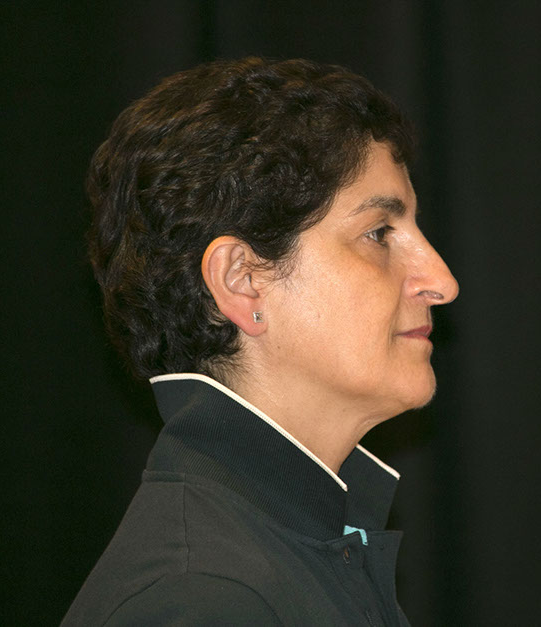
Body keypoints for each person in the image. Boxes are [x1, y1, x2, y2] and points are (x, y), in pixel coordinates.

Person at [63, 57, 458, 625]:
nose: (440, 281)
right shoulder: (202, 599)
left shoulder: (297, 541)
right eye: (378, 233)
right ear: (242, 281)